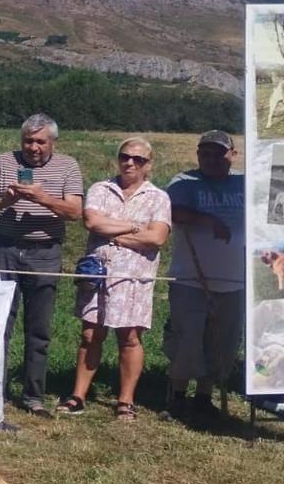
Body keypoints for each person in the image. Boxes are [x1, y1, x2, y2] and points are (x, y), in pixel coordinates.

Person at [0, 113, 83, 418]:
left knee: (39, 327)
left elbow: (75, 211)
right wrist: (4, 202)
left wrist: (42, 197)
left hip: (44, 253)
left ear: (53, 143)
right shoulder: (3, 161)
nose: (33, 147)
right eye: (28, 141)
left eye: (40, 141)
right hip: (4, 250)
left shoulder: (68, 166)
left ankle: (33, 395)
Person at [57, 138, 171, 421]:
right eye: (125, 157)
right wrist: (135, 227)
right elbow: (93, 222)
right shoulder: (100, 189)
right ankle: (78, 395)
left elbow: (157, 237)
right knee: (90, 334)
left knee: (129, 337)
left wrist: (114, 233)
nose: (130, 163)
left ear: (149, 166)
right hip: (97, 273)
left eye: (138, 159)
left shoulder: (158, 198)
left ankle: (125, 400)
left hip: (134, 278)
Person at [162, 130, 245, 419]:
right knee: (187, 338)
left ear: (233, 155)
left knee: (223, 342)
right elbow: (170, 210)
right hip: (192, 278)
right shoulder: (185, 182)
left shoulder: (245, 183)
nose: (212, 159)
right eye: (205, 153)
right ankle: (177, 395)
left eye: (219, 153)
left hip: (236, 279)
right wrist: (208, 219)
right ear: (198, 155)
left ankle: (204, 396)